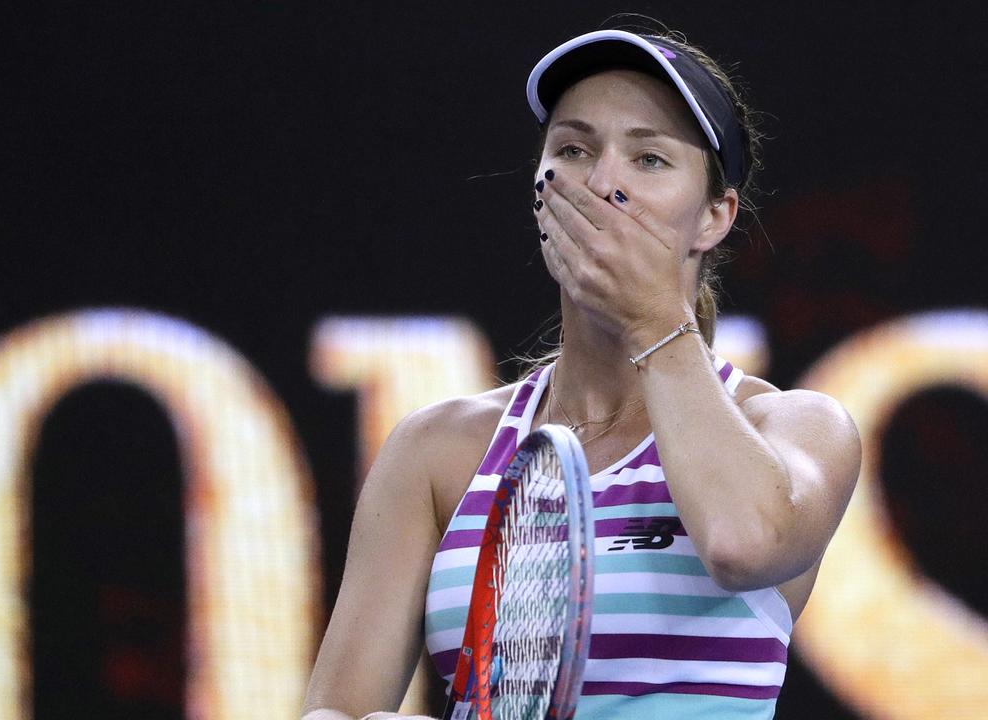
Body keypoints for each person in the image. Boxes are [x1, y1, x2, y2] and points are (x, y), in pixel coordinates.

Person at [302, 26, 860, 720]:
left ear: (714, 217)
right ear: (541, 193)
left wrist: (652, 319)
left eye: (649, 158)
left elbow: (743, 544)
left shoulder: (795, 428)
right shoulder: (434, 452)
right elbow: (336, 712)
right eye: (572, 150)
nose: (602, 183)